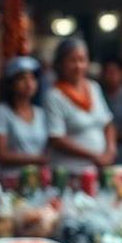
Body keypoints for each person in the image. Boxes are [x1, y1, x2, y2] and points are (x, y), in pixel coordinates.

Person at [45, 38, 116, 173]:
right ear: (60, 64)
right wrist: (94, 155)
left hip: (98, 170)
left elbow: (108, 123)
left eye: (82, 60)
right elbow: (56, 139)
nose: (78, 66)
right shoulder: (54, 95)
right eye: (72, 60)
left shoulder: (94, 87)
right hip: (70, 171)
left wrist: (111, 150)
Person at [0, 56, 48, 176]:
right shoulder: (1, 112)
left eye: (32, 78)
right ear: (11, 83)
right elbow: (1, 155)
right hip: (7, 179)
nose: (29, 84)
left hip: (35, 179)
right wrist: (37, 159)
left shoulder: (40, 113)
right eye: (22, 79)